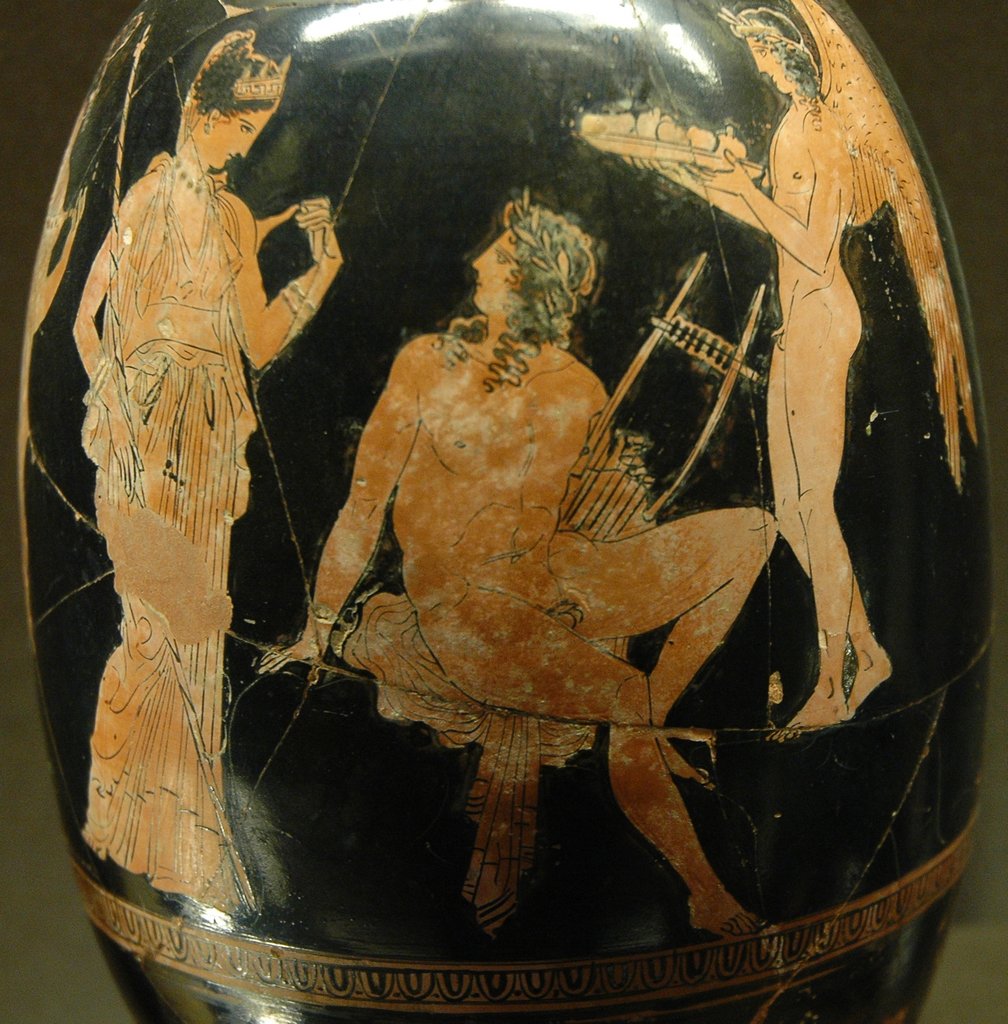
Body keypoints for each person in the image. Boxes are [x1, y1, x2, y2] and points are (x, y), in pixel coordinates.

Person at [263, 194, 774, 936]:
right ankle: (704, 891)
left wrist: (548, 586)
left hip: (547, 572)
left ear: (530, 283)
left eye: (498, 257)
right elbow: (363, 505)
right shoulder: (425, 364)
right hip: (462, 607)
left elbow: (536, 515)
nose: (478, 263)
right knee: (621, 698)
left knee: (751, 532)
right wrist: (317, 626)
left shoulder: (574, 387)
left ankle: (657, 716)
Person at [74, 29, 344, 911]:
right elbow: (85, 321)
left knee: (197, 643)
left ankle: (186, 844)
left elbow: (256, 341)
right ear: (200, 110)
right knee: (156, 622)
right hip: (149, 433)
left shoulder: (231, 218)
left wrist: (321, 271)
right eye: (238, 127)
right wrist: (117, 405)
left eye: (255, 134)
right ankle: (136, 825)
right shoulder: (147, 198)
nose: (243, 147)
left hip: (209, 434)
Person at [632, 7, 892, 730]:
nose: (757, 64)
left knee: (814, 506)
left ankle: (833, 682)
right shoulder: (787, 127)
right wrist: (694, 179)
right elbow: (770, 218)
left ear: (787, 53)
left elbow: (815, 250)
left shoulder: (821, 130)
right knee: (791, 510)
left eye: (762, 53)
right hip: (796, 324)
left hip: (822, 323)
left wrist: (742, 189)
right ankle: (868, 652)